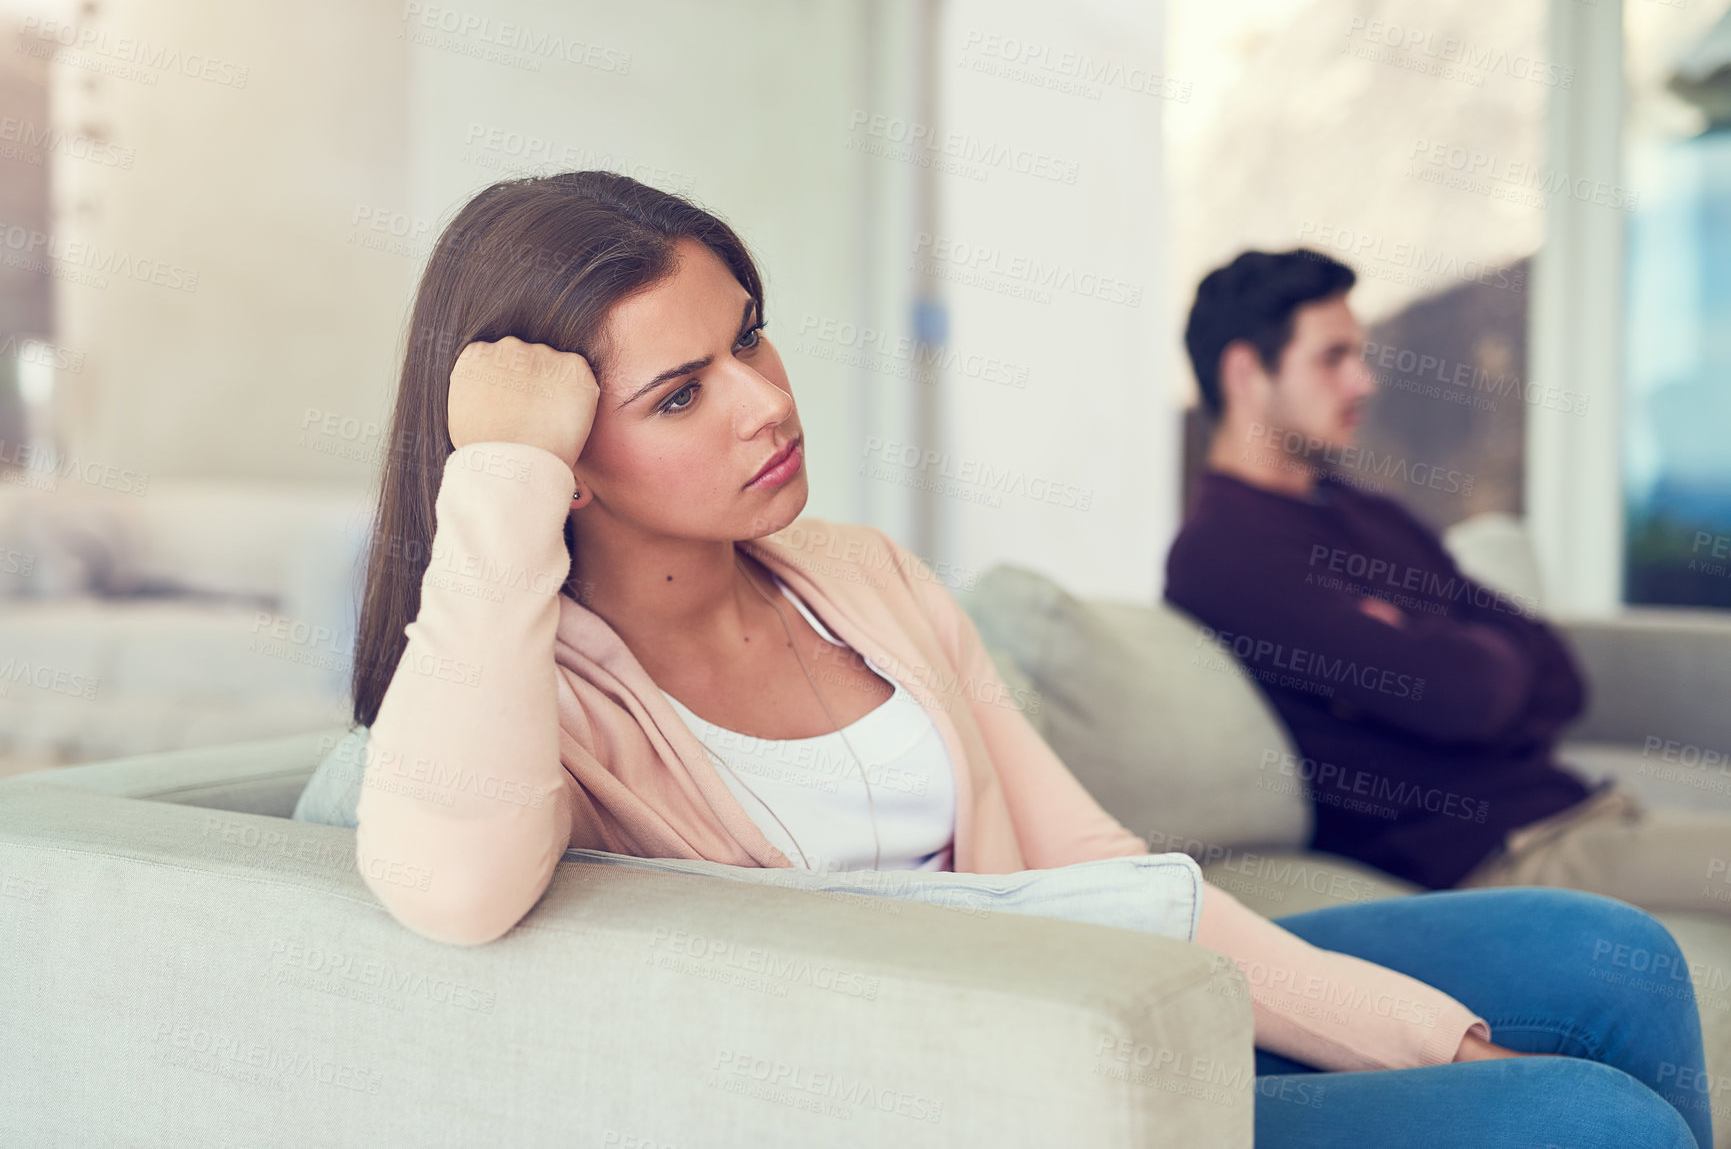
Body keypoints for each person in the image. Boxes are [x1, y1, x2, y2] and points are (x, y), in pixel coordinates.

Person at [341, 172, 1710, 1147]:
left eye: (748, 331)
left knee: (1606, 955)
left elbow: (1095, 867)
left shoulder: (860, 570)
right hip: (988, 1082)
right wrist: (502, 474)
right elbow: (452, 884)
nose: (767, 400)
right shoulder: (540, 692)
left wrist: (1421, 1037)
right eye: (680, 391)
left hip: (1087, 984)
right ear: (570, 464)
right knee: (1578, 1115)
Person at [1165, 248, 1731, 930]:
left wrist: (1429, 643)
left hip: (1576, 812)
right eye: (1332, 357)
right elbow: (1460, 698)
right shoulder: (1227, 552)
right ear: (1244, 372)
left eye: (1359, 355)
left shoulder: (1360, 511)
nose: (1362, 382)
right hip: (1504, 854)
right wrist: (1459, 653)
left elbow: (1557, 672)